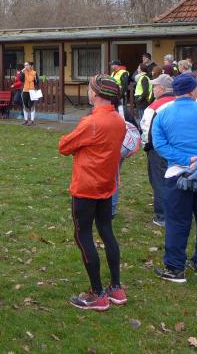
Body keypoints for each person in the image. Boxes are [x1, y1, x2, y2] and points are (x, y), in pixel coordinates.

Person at [58, 75, 126, 311]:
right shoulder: (119, 120)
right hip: (107, 185)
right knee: (107, 231)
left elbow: (64, 146)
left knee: (83, 235)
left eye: (89, 89)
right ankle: (116, 287)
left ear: (95, 94)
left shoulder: (91, 122)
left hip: (86, 186)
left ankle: (97, 293)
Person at [151, 74, 197, 282]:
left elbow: (159, 144)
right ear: (193, 90)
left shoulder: (162, 113)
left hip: (177, 173)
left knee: (177, 221)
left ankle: (175, 268)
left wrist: (186, 160)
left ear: (175, 91)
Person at [139, 74, 175, 227]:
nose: (153, 89)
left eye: (154, 86)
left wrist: (146, 146)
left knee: (160, 181)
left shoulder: (155, 106)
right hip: (180, 148)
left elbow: (146, 129)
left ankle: (162, 216)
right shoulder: (181, 102)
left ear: (162, 88)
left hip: (159, 149)